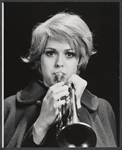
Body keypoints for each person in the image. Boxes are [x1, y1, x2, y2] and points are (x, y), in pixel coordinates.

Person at [4, 12, 117, 147]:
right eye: (50, 53)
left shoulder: (103, 108)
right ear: (39, 59)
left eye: (69, 54)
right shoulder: (9, 107)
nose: (59, 63)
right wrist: (40, 125)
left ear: (79, 60)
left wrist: (79, 108)